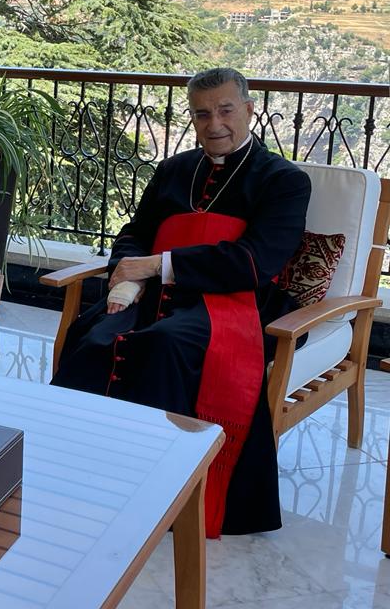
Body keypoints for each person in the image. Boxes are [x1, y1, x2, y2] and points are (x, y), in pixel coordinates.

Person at [51, 67, 311, 538]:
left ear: (249, 109)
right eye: (202, 114)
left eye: (226, 110)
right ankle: (79, 473)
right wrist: (126, 281)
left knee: (165, 344)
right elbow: (134, 233)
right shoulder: (174, 170)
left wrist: (155, 266)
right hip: (151, 293)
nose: (215, 124)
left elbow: (253, 261)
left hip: (233, 302)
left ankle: (161, 490)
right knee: (93, 337)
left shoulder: (284, 180)